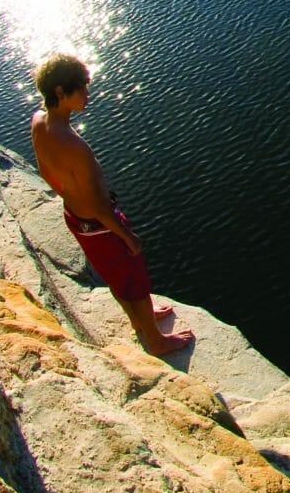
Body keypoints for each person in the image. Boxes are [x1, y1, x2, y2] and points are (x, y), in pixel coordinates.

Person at [30, 53, 194, 356]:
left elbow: (45, 171)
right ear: (60, 92)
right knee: (135, 277)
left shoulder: (39, 122)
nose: (87, 95)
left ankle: (139, 320)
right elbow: (99, 205)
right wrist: (125, 234)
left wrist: (70, 197)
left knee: (115, 276)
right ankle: (156, 341)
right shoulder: (76, 146)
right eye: (82, 89)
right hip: (101, 224)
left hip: (75, 217)